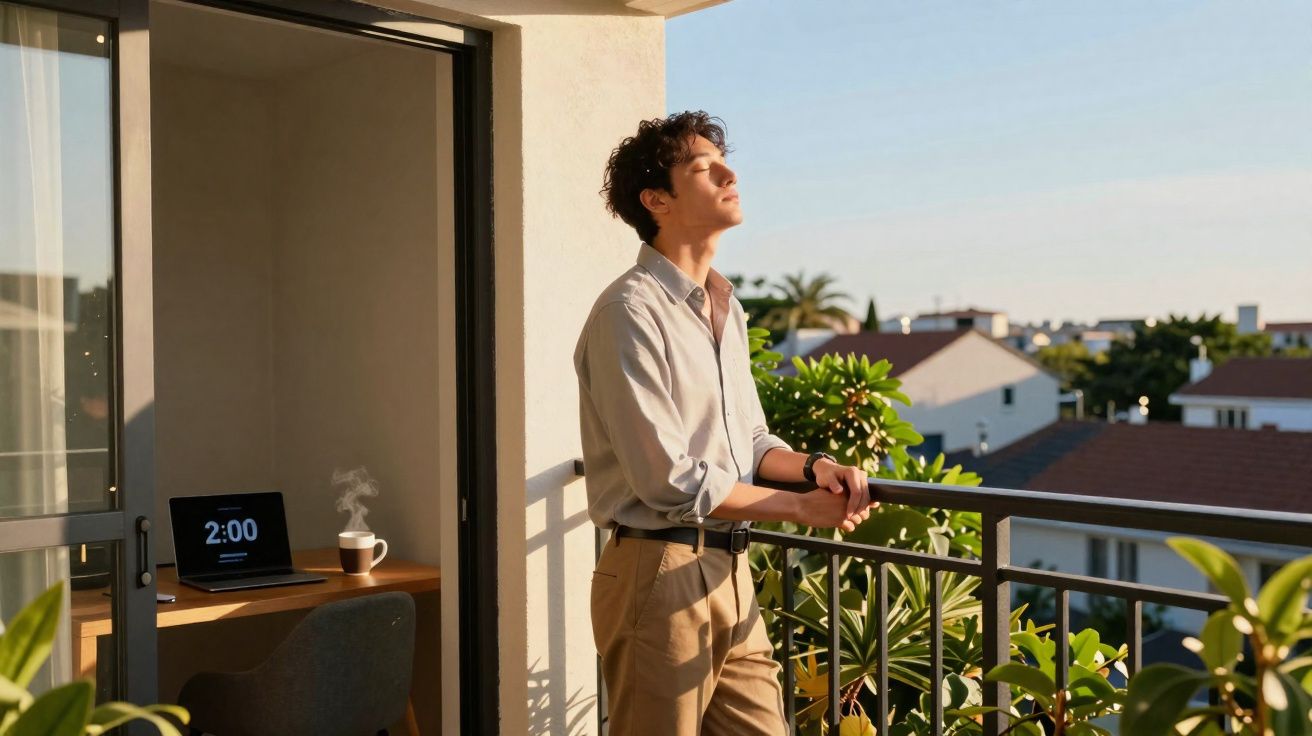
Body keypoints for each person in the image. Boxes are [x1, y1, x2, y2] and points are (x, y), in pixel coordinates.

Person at [574, 111, 876, 736]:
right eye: (703, 168)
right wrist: (798, 510)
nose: (729, 175)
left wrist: (816, 469)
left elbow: (751, 442)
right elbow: (666, 478)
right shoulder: (628, 312)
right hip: (658, 571)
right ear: (656, 199)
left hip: (732, 569)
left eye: (724, 163)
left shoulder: (724, 307)